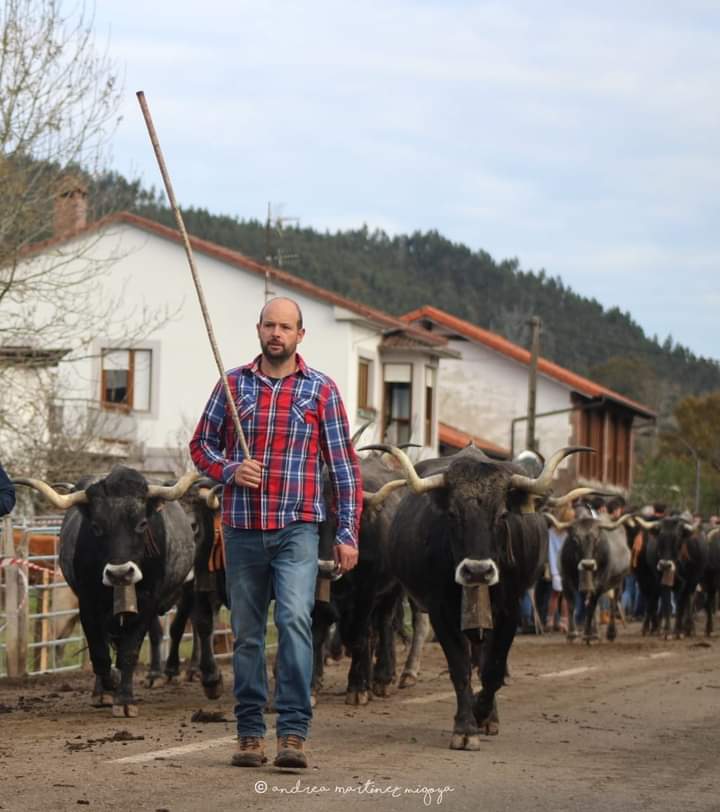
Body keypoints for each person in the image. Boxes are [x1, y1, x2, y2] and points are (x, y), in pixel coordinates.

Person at [190, 297, 362, 770]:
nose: (276, 334)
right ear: (259, 329)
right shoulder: (232, 386)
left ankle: (292, 733)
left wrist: (346, 531)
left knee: (294, 622)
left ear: (300, 335)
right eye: (270, 325)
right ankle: (249, 733)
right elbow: (200, 444)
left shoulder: (321, 391)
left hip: (297, 530)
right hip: (243, 529)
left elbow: (343, 467)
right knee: (246, 634)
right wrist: (229, 469)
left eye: (286, 327)